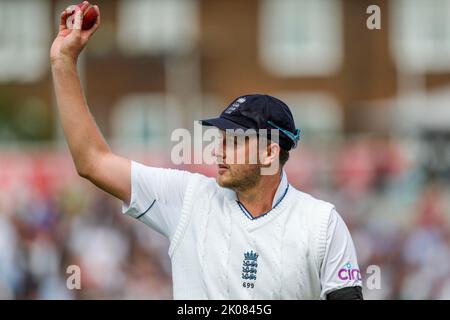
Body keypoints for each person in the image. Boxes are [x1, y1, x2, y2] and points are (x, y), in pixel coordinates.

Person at [50, 6, 363, 300]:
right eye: (220, 138)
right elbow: (92, 161)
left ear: (269, 153)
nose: (218, 150)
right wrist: (63, 62)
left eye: (234, 141)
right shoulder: (189, 199)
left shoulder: (322, 224)